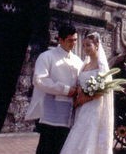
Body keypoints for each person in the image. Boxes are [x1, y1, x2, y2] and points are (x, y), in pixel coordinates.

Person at [25, 24, 84, 154]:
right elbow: (40, 80)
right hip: (51, 111)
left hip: (70, 112)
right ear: (60, 39)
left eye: (75, 40)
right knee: (47, 148)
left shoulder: (78, 61)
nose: (73, 43)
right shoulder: (47, 56)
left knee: (63, 148)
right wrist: (66, 90)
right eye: (70, 40)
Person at [60, 32, 114, 154]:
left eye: (88, 45)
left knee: (87, 136)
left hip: (94, 107)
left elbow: (103, 89)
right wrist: (78, 95)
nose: (85, 48)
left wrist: (84, 99)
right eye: (83, 46)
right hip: (81, 107)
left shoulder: (101, 66)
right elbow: (79, 83)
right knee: (78, 134)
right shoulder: (85, 64)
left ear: (97, 45)